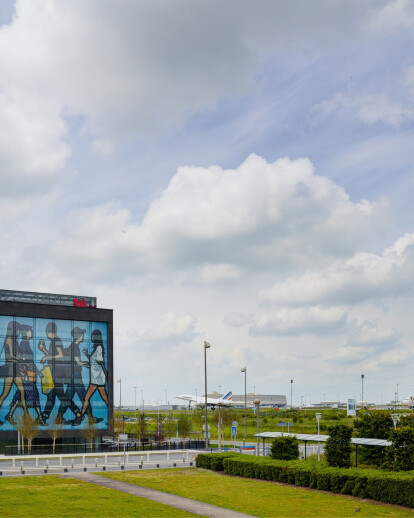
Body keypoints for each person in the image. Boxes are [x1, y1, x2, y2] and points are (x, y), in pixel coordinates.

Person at [57, 327, 103, 424]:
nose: (83, 336)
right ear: (79, 336)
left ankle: (59, 417)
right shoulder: (75, 347)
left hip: (72, 375)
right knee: (83, 396)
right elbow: (78, 362)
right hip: (76, 375)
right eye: (82, 334)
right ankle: (90, 417)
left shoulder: (72, 346)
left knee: (68, 396)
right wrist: (88, 364)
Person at [40, 322, 83, 425]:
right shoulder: (53, 342)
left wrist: (47, 357)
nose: (47, 335)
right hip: (54, 373)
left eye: (47, 332)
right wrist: (44, 350)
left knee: (61, 396)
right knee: (51, 397)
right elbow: (53, 356)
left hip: (57, 374)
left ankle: (78, 413)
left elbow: (60, 355)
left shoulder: (56, 341)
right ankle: (44, 418)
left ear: (50, 332)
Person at [5, 325, 45, 425]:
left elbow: (30, 361)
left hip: (30, 375)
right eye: (30, 331)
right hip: (28, 377)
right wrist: (25, 374)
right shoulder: (23, 344)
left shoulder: (26, 343)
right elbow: (22, 361)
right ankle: (40, 418)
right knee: (33, 395)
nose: (31, 332)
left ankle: (9, 415)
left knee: (20, 395)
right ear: (25, 332)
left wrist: (38, 371)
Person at [72, 329, 108, 426]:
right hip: (96, 378)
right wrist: (86, 355)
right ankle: (83, 417)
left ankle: (80, 418)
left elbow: (100, 361)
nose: (91, 337)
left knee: (87, 398)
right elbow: (94, 361)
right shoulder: (96, 348)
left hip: (98, 379)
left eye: (93, 336)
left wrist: (89, 362)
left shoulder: (99, 347)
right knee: (104, 399)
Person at [0, 321, 27, 425]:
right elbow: (11, 355)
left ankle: (26, 415)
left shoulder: (13, 340)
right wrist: (21, 358)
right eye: (18, 329)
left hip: (14, 368)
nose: (19, 332)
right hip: (10, 368)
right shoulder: (10, 339)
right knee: (5, 394)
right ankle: (25, 415)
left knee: (22, 391)